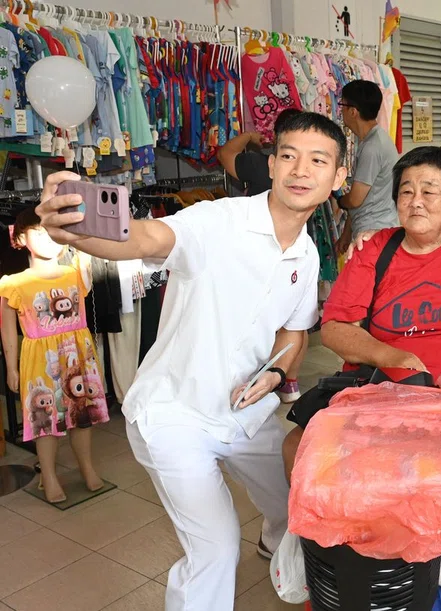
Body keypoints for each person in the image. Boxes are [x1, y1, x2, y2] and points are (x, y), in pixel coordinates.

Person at [35, 111, 348, 611]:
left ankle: (274, 539)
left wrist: (274, 373)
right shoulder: (216, 222)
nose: (300, 170)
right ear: (270, 166)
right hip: (175, 415)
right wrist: (77, 230)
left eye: (318, 160)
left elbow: (294, 332)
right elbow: (143, 238)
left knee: (296, 503)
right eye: (288, 156)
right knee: (215, 549)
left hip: (245, 411)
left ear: (338, 178)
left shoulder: (307, 255)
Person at [282, 146, 441, 481]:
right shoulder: (373, 250)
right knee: (301, 445)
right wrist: (389, 355)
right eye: (406, 191)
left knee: (436, 464)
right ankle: (321, 532)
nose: (415, 200)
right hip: (384, 391)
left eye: (429, 191)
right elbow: (335, 326)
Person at [0, 210, 107, 503]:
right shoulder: (14, 283)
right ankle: (48, 475)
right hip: (39, 357)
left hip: (77, 355)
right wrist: (11, 367)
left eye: (53, 230)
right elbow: (7, 329)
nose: (48, 238)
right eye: (38, 231)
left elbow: (90, 240)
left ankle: (86, 465)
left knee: (81, 415)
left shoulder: (76, 271)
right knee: (44, 419)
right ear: (20, 238)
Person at [218, 107, 310, 403]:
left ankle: (273, 374)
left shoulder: (258, 163)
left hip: (273, 242)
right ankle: (289, 381)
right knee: (295, 317)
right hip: (301, 236)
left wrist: (248, 136)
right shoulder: (312, 169)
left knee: (279, 314)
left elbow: (224, 155)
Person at [336, 79, 401, 253]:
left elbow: (355, 199)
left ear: (353, 111)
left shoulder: (372, 147)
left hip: (374, 234)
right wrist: (346, 233)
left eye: (342, 105)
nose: (340, 110)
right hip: (372, 229)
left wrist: (338, 199)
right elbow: (364, 196)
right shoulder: (371, 140)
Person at [218, 108, 302, 196]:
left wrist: (248, 136)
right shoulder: (310, 171)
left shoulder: (258, 165)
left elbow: (224, 154)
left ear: (274, 135)